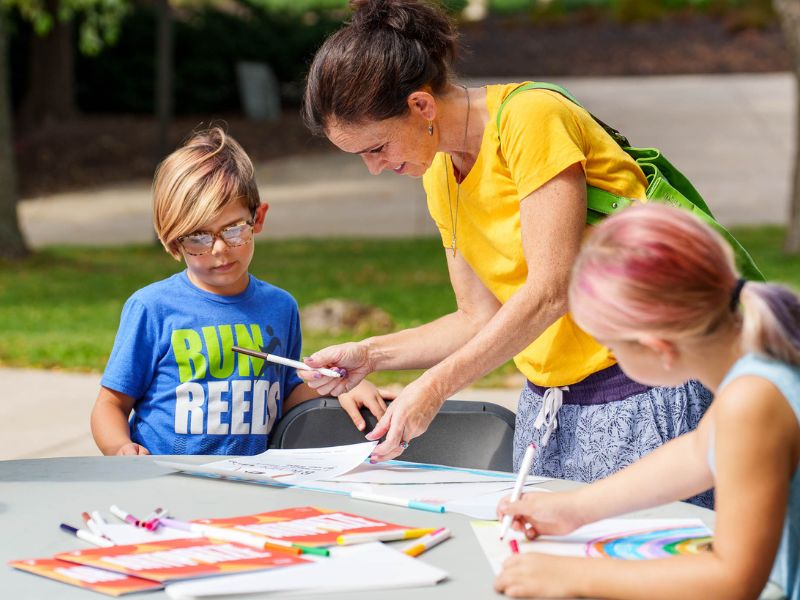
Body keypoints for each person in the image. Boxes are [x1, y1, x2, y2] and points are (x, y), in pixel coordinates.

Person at [300, 0, 712, 504]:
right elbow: (477, 318)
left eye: (376, 147)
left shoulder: (530, 118)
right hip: (550, 412)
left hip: (643, 394)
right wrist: (370, 354)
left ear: (421, 107)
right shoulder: (438, 172)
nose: (375, 168)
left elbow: (550, 292)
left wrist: (433, 389)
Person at [495, 204, 800, 600]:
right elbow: (694, 454)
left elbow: (734, 579)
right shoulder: (757, 367)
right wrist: (574, 508)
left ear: (659, 348)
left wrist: (572, 576)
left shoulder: (753, 400)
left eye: (612, 346)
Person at [90, 127, 389, 456]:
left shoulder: (280, 306)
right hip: (168, 482)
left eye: (233, 230)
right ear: (173, 239)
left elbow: (285, 396)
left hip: (254, 482)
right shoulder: (152, 308)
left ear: (258, 218)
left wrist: (339, 387)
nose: (219, 249)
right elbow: (110, 404)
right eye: (198, 238)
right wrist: (120, 448)